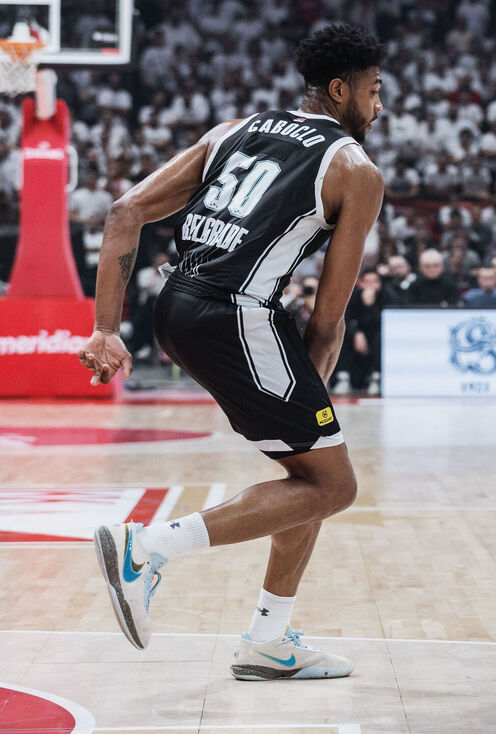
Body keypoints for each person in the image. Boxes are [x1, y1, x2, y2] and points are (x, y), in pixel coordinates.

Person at [76, 25, 386, 681]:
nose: (380, 105)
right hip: (238, 315)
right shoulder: (356, 170)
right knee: (335, 483)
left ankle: (268, 640)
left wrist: (106, 328)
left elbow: (124, 213)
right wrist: (316, 392)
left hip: (174, 305)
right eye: (374, 89)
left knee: (309, 479)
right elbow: (330, 316)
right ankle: (150, 548)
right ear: (341, 90)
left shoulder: (233, 129)